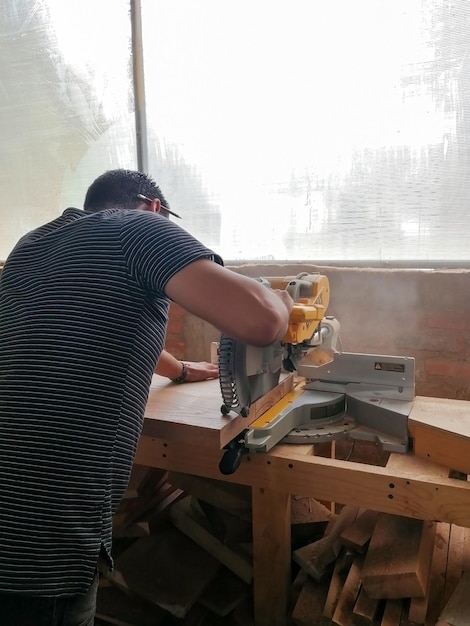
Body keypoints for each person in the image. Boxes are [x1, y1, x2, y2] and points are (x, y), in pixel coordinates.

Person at [0, 168, 293, 626]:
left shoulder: (31, 245)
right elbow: (260, 321)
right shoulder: (141, 227)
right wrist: (284, 300)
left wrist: (178, 369)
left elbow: (88, 320)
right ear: (155, 207)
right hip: (38, 542)